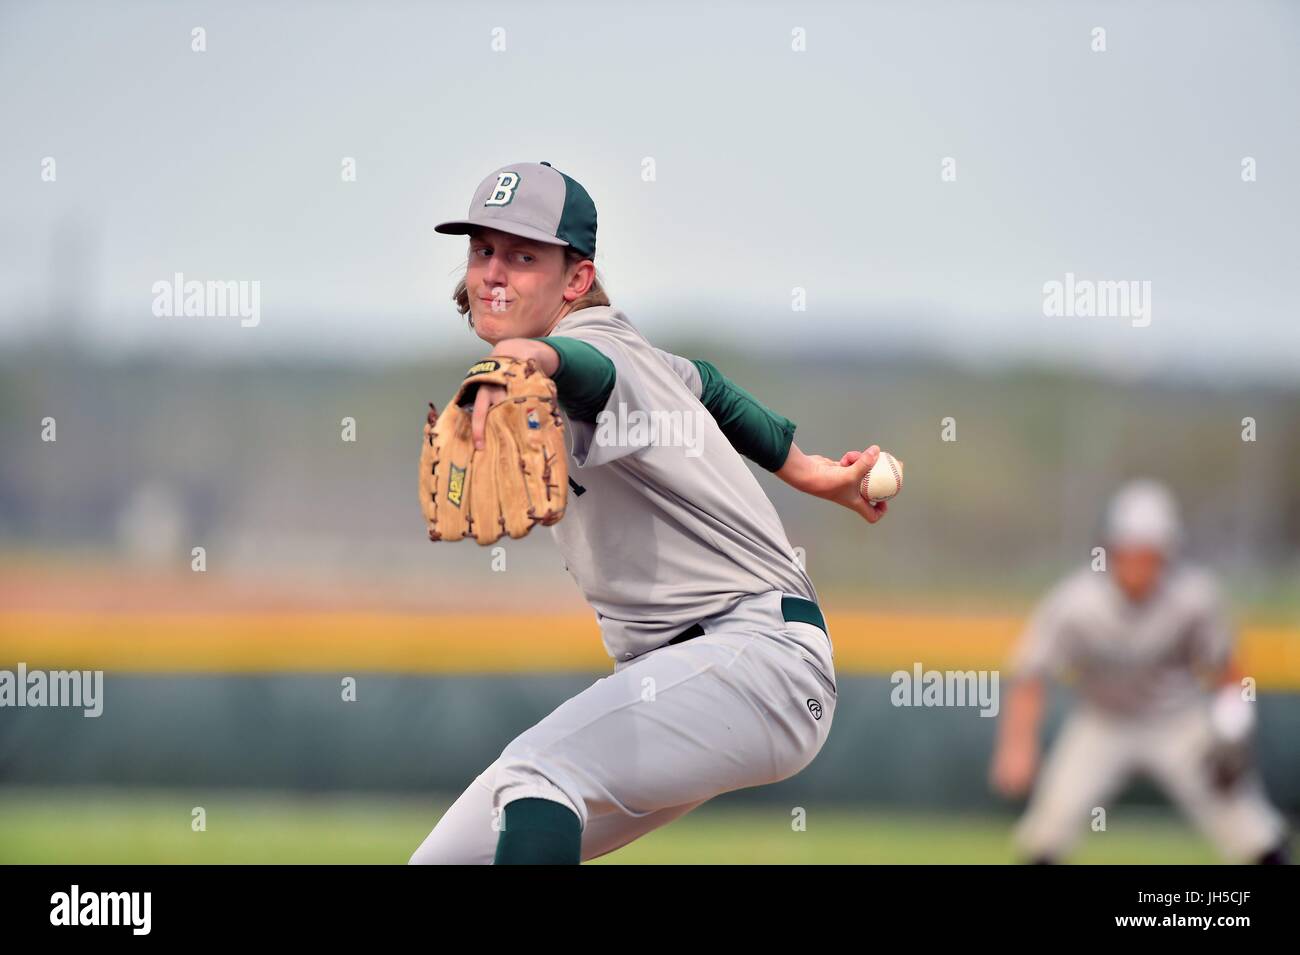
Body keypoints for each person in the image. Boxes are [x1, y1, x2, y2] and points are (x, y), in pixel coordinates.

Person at [409, 161, 888, 864]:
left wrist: (524, 354)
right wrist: (809, 469)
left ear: (576, 278)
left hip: (753, 655)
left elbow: (585, 368)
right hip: (690, 674)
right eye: (482, 250)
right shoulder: (641, 357)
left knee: (537, 774)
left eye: (522, 255)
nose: (493, 272)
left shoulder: (597, 352)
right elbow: (713, 388)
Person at [989, 479, 1289, 864]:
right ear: (1111, 550)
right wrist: (1017, 745)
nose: (1138, 563)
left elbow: (1228, 672)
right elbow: (1030, 674)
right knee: (1047, 829)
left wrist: (1232, 730)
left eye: (1149, 553)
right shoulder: (1076, 603)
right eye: (1129, 550)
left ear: (1168, 553)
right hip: (1103, 722)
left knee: (1250, 829)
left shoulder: (1194, 597)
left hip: (1177, 720)